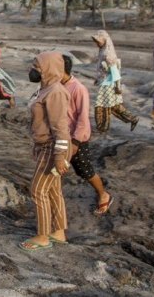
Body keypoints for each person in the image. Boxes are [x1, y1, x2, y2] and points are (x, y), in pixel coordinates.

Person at [19, 52, 72, 251]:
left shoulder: (56, 92)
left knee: (38, 190)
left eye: (37, 67)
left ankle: (42, 236)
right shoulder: (46, 89)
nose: (33, 70)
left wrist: (60, 156)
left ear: (47, 69)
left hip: (53, 148)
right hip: (46, 147)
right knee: (53, 190)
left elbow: (61, 128)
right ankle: (59, 231)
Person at [62, 54, 113, 216]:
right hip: (61, 136)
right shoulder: (55, 85)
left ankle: (103, 194)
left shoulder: (78, 89)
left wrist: (76, 142)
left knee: (84, 169)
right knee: (55, 168)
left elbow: (83, 118)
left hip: (76, 138)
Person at [91, 30, 139, 133]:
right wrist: (98, 78)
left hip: (108, 85)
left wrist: (118, 87)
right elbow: (102, 68)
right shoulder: (103, 51)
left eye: (98, 40)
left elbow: (115, 72)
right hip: (105, 82)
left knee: (101, 107)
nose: (97, 43)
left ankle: (102, 128)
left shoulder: (108, 54)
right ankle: (132, 119)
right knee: (113, 106)